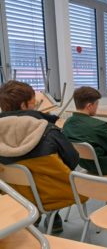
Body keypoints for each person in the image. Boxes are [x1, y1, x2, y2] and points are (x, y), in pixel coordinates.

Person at [0, 80, 83, 234]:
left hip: (14, 195)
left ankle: (35, 214)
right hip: (53, 192)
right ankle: (53, 215)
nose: (35, 107)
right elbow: (73, 160)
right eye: (33, 104)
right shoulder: (49, 131)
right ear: (24, 106)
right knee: (57, 174)